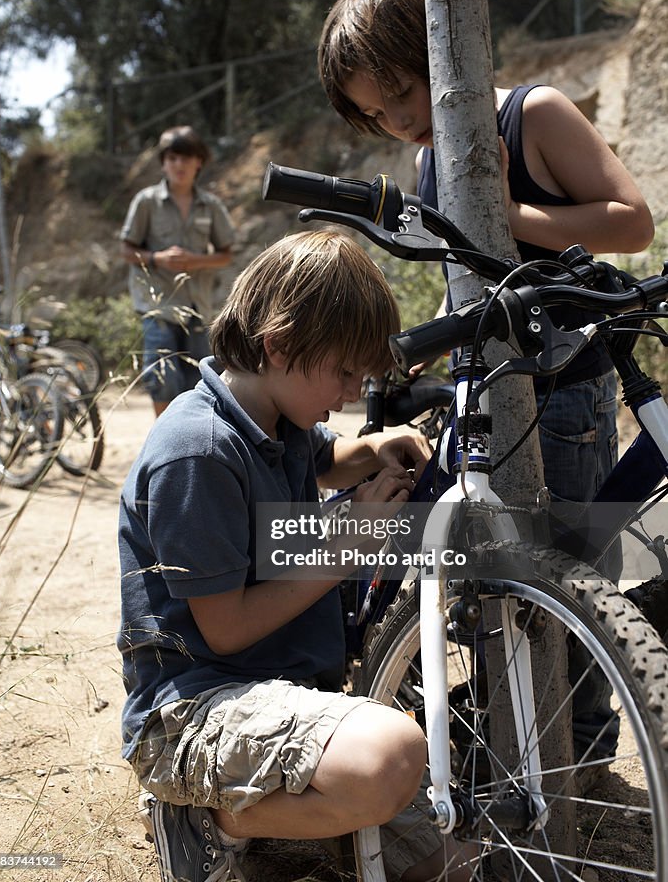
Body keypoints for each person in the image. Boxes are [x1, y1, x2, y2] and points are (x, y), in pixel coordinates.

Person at [318, 0, 655, 779]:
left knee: (573, 580)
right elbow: (465, 282)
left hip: (563, 394)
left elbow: (631, 221)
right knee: (493, 581)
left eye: (402, 92)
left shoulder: (527, 115)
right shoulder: (432, 159)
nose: (399, 120)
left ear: (441, 48)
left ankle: (583, 758)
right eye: (375, 113)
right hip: (484, 405)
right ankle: (512, 752)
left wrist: (506, 213)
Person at [118, 229, 471, 882]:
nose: (345, 397)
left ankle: (285, 814)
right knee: (389, 756)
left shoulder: (276, 421)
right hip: (191, 715)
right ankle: (199, 817)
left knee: (455, 868)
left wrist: (376, 447)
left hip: (279, 699)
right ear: (277, 346)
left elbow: (324, 457)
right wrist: (347, 545)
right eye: (342, 374)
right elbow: (225, 630)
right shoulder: (196, 450)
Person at [120, 125, 235, 417]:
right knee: (162, 378)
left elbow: (226, 255)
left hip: (197, 307)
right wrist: (157, 258)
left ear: (199, 162)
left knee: (198, 380)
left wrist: (196, 260)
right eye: (172, 158)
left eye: (186, 158)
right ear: (163, 162)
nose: (179, 165)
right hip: (157, 307)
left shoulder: (211, 206)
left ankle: (191, 441)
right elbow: (126, 250)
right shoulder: (146, 201)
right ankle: (166, 438)